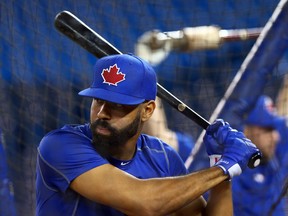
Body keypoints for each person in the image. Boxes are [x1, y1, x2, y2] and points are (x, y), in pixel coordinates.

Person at [36, 53, 260, 216]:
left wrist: (221, 169)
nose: (102, 113)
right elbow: (144, 201)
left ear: (148, 110)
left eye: (117, 105)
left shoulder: (161, 156)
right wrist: (224, 168)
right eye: (98, 101)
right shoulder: (60, 145)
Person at [232, 95, 288, 215]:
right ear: (247, 131)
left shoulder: (275, 157)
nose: (276, 137)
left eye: (274, 129)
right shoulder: (232, 172)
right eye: (268, 130)